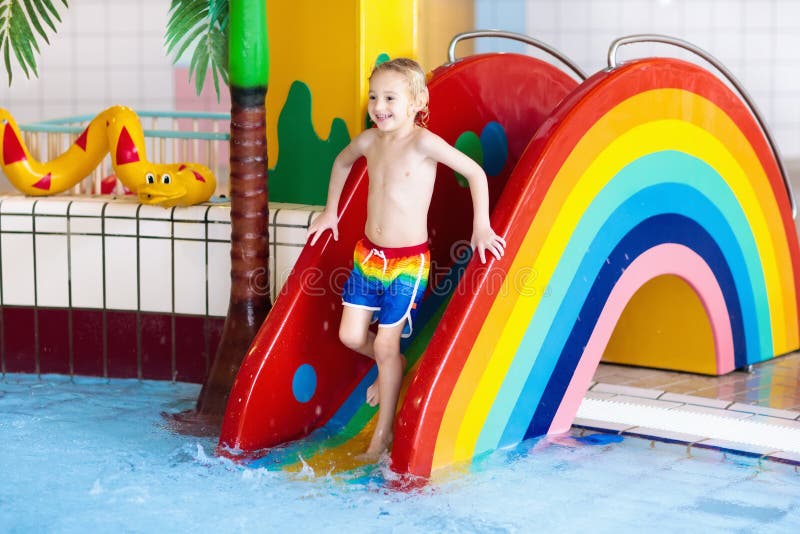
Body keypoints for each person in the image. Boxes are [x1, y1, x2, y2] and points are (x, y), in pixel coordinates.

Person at [307, 58, 506, 461]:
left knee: (383, 341)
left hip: (407, 263)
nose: (379, 106)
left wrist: (481, 227)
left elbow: (475, 174)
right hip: (368, 257)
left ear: (417, 102)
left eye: (391, 98)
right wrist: (330, 211)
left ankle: (382, 436)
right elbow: (341, 162)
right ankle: (391, 363)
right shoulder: (369, 141)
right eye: (374, 96)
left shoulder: (423, 143)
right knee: (350, 336)